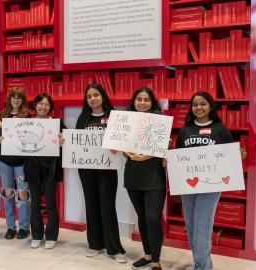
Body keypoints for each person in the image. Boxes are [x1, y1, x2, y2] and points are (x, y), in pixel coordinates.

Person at [174, 91, 247, 270]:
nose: (199, 107)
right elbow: (178, 157)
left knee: (202, 226)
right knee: (191, 226)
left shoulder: (220, 129)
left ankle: (204, 267)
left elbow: (228, 158)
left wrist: (238, 157)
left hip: (211, 186)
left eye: (203, 104)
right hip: (188, 185)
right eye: (195, 104)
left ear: (210, 106)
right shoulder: (185, 130)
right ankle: (200, 264)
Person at [75, 83, 127, 263]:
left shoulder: (113, 117)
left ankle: (114, 248)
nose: (93, 99)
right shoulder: (83, 118)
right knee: (91, 205)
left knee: (107, 206)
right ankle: (95, 244)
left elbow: (121, 142)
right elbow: (77, 143)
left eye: (96, 95)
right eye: (89, 96)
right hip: (86, 170)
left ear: (103, 96)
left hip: (107, 170)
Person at [123, 87, 166, 270]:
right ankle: (147, 255)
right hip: (133, 174)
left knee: (153, 217)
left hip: (154, 174)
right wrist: (126, 152)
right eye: (138, 99)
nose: (142, 102)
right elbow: (123, 147)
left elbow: (163, 145)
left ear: (152, 102)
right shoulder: (126, 121)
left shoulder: (159, 120)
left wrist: (146, 156)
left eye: (146, 99)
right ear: (134, 101)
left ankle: (156, 260)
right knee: (142, 216)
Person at [0, 87, 31, 240]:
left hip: (22, 162)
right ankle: (11, 227)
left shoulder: (27, 116)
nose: (16, 100)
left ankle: (25, 227)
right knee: (7, 193)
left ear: (23, 100)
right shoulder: (1, 115)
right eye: (14, 97)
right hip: (4, 161)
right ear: (9, 99)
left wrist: (0, 123)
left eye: (19, 97)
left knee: (23, 194)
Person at [24, 93, 65, 250]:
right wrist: (6, 140)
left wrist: (62, 141)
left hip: (51, 168)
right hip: (32, 168)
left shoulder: (57, 123)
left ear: (50, 107)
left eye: (46, 104)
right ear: (35, 106)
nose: (43, 106)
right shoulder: (28, 123)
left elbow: (66, 140)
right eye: (40, 103)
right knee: (34, 202)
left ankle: (52, 236)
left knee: (50, 202)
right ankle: (36, 235)